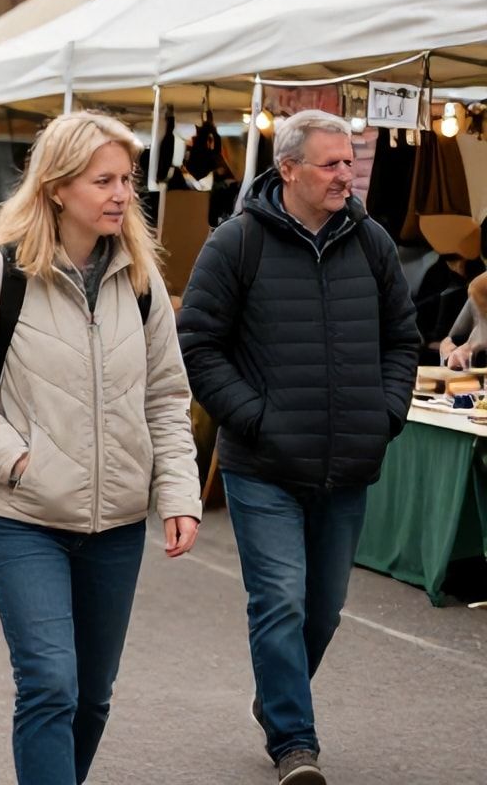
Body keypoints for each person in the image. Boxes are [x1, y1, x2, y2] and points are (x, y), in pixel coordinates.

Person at [0, 111, 202, 785]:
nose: (119, 194)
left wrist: (179, 493)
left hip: (118, 527)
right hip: (23, 518)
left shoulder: (139, 283)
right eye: (102, 180)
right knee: (51, 684)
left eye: (126, 180)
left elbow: (167, 396)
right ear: (55, 187)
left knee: (93, 697)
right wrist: (18, 460)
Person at [178, 108, 418, 785]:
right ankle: (294, 741)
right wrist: (255, 418)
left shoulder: (371, 243)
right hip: (265, 465)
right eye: (332, 163)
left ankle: (278, 695)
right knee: (279, 600)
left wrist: (388, 411)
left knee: (323, 610)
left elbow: (403, 337)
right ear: (288, 170)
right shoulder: (237, 243)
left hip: (348, 462)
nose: (348, 174)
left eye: (350, 161)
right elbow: (197, 344)